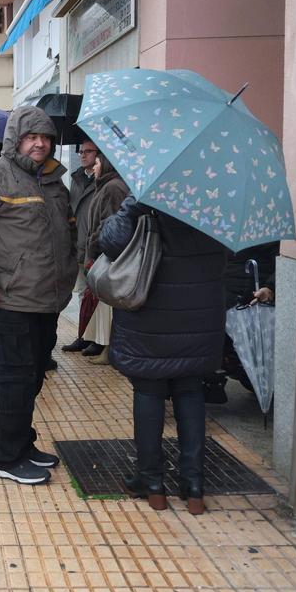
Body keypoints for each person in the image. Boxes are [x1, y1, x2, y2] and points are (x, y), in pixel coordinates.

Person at [0, 106, 78, 485]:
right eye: (31, 137)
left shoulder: (55, 182)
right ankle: (4, 456)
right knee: (13, 379)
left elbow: (68, 233)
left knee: (34, 375)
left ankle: (23, 443)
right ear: (15, 140)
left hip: (48, 300)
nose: (39, 143)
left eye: (45, 137)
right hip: (10, 299)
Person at [99, 196, 227, 515]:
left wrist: (131, 204)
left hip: (151, 316)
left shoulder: (149, 198)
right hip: (199, 315)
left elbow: (111, 242)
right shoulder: (215, 203)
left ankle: (152, 482)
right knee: (190, 391)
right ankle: (194, 486)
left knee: (149, 392)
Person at [205, 242, 279, 402]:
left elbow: (279, 260)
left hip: (246, 293)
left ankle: (211, 377)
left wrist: (270, 287)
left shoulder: (260, 228)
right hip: (228, 288)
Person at [80, 153, 131, 365]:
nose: (94, 166)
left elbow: (110, 223)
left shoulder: (113, 187)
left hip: (107, 254)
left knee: (107, 306)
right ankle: (102, 346)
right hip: (101, 251)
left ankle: (110, 350)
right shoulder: (104, 185)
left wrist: (93, 248)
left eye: (98, 162)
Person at [61, 139, 100, 354]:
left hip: (95, 246)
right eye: (81, 151)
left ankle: (97, 339)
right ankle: (83, 335)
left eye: (88, 151)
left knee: (96, 294)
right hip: (77, 245)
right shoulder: (76, 178)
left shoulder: (103, 180)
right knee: (81, 292)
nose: (83, 155)